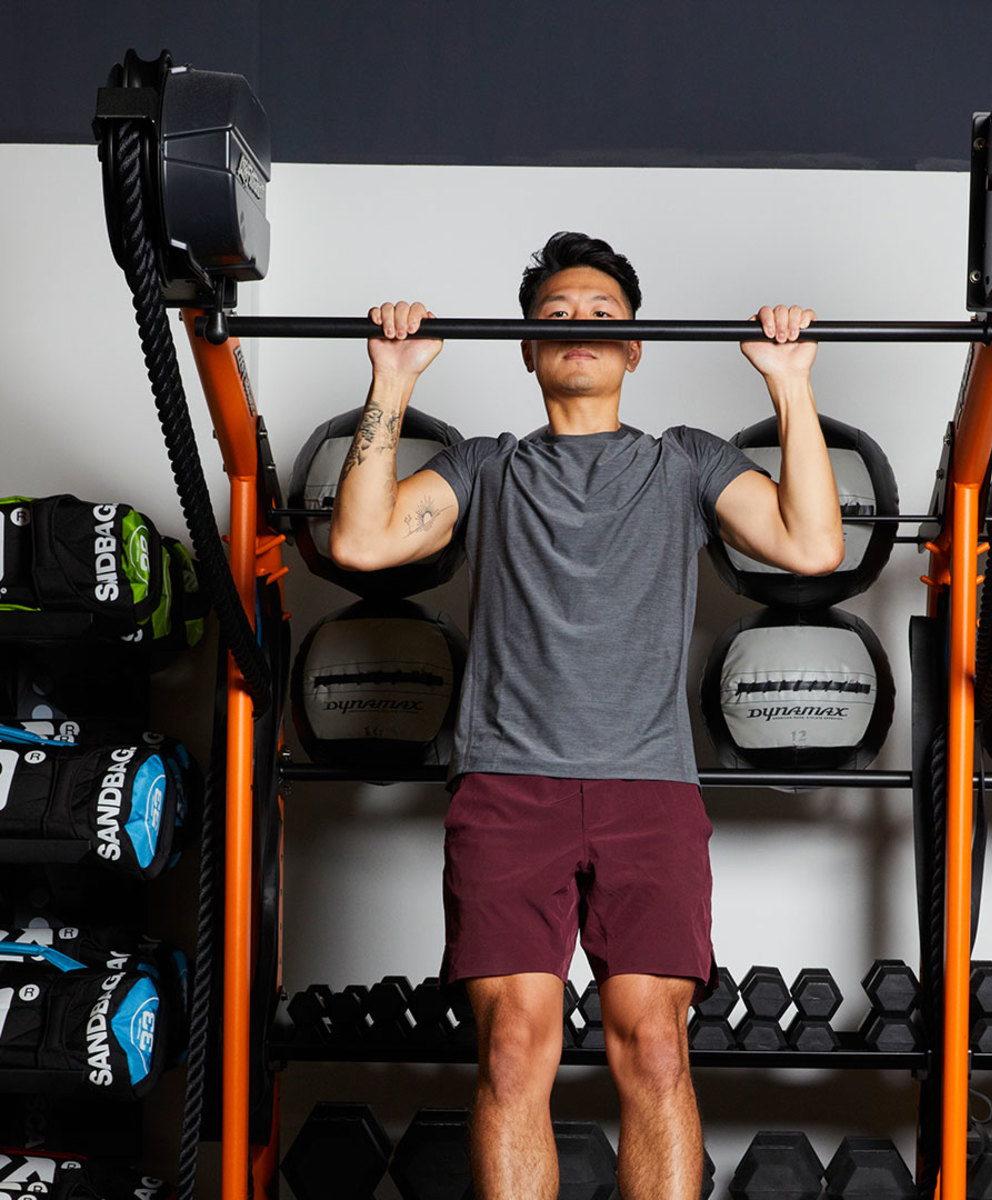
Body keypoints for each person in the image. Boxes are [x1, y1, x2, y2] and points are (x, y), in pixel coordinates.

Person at [329, 232, 843, 1200]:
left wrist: (791, 384)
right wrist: (392, 380)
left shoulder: (687, 463)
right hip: (509, 789)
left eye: (603, 315)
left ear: (635, 347)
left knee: (654, 1051)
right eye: (557, 315)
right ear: (526, 346)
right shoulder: (486, 468)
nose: (580, 326)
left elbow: (812, 544)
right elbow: (359, 540)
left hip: (648, 789)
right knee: (515, 1054)